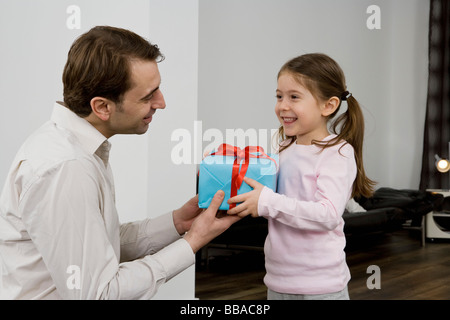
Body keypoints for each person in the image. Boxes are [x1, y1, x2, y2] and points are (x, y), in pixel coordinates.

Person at [0, 26, 240, 300]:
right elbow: (100, 294)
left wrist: (179, 222)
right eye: (148, 95)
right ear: (102, 107)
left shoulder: (77, 149)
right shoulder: (66, 167)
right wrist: (193, 242)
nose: (161, 103)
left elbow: (99, 246)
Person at [227, 53, 376, 300]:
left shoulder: (337, 152)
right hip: (278, 280)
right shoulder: (284, 148)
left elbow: (327, 215)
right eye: (279, 96)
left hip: (321, 285)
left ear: (328, 105)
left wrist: (266, 202)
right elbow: (267, 193)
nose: (283, 105)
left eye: (294, 97)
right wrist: (226, 173)